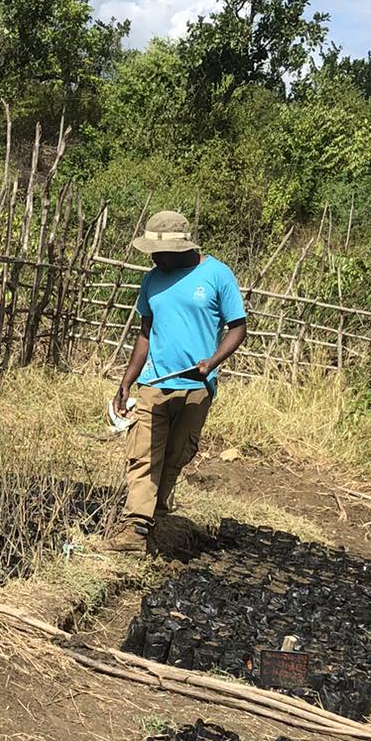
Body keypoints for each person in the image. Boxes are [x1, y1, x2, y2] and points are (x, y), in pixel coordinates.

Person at [108, 209, 246, 551]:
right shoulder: (152, 280)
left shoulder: (216, 275)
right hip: (155, 383)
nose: (154, 258)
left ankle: (156, 517)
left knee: (176, 455)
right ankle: (135, 527)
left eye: (160, 251)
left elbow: (238, 328)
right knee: (143, 453)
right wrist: (127, 381)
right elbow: (145, 333)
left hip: (198, 387)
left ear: (182, 247)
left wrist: (211, 362)